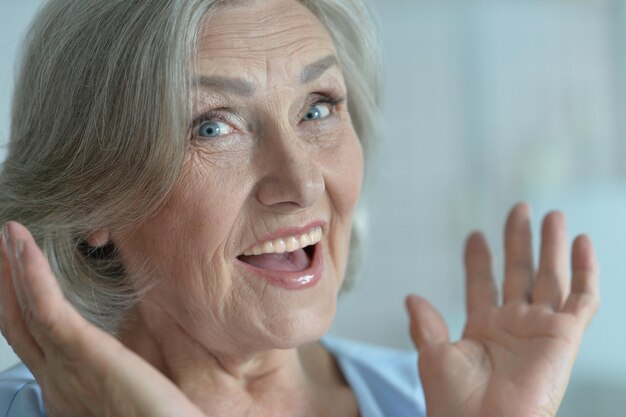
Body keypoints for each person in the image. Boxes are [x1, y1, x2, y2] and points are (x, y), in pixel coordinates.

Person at [0, 0, 600, 416]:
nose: (302, 182)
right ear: (91, 198)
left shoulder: (435, 400)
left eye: (317, 108)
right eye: (213, 126)